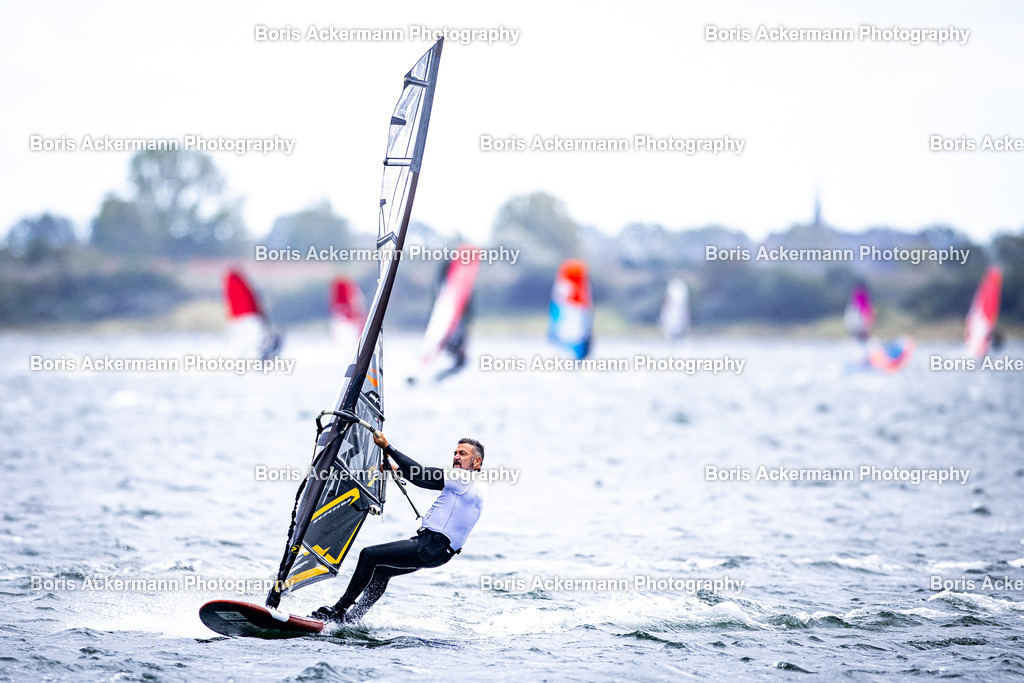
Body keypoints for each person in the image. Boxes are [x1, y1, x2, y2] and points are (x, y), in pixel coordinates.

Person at [311, 433, 485, 623]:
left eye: (463, 454)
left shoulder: (462, 478)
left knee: (369, 555)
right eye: (455, 453)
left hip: (428, 545)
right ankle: (353, 618)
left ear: (476, 462)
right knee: (382, 572)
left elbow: (420, 472)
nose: (456, 457)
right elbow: (424, 480)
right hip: (440, 554)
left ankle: (338, 610)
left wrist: (388, 447)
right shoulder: (471, 485)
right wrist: (396, 470)